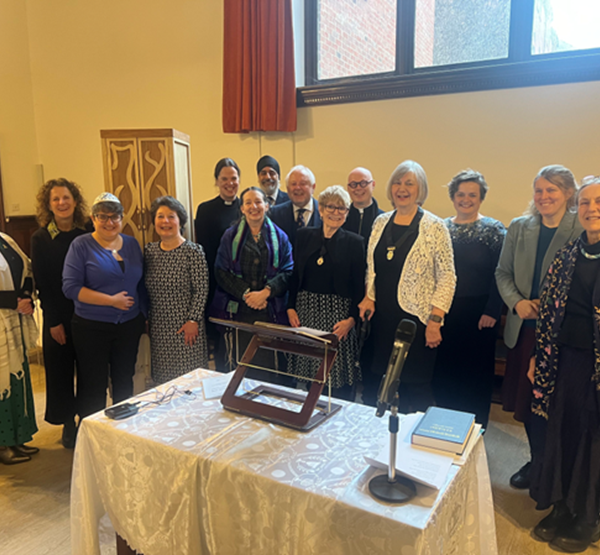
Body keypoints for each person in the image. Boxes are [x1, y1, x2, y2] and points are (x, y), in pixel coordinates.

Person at [496, 165, 581, 490]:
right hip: (523, 328)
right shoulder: (520, 227)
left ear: (568, 193)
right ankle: (537, 460)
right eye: (540, 190)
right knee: (527, 404)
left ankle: (558, 468)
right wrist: (516, 302)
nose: (544, 197)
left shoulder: (580, 227)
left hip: (560, 334)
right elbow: (502, 273)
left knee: (555, 405)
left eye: (552, 190)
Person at [527, 176, 600, 552]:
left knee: (592, 439)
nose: (592, 209)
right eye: (586, 203)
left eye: (599, 202)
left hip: (596, 366)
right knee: (561, 432)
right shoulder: (568, 254)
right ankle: (561, 505)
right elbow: (548, 314)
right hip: (563, 360)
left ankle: (588, 517)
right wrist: (539, 354)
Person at [359, 160, 456, 412]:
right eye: (397, 183)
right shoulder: (380, 222)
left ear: (420, 189)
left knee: (416, 387)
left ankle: (418, 444)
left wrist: (436, 319)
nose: (402, 188)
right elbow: (373, 266)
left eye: (409, 183)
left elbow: (447, 276)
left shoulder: (435, 227)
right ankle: (387, 440)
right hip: (382, 321)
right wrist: (369, 296)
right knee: (384, 384)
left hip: (417, 321)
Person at [432, 170, 506, 428]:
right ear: (453, 197)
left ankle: (475, 429)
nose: (465, 199)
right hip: (446, 311)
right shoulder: (440, 228)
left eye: (472, 195)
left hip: (480, 315)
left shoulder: (494, 230)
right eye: (460, 194)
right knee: (445, 371)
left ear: (481, 197)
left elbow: (501, 273)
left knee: (475, 375)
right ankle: (445, 426)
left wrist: (493, 310)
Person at [63, 193, 145, 420]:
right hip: (91, 327)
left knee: (124, 380)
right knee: (93, 385)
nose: (110, 222)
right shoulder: (81, 245)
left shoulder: (131, 243)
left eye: (115, 216)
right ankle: (91, 439)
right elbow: (70, 288)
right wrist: (111, 301)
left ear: (121, 218)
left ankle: (123, 432)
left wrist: (142, 315)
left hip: (128, 325)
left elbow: (141, 282)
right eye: (103, 217)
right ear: (93, 218)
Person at [287, 185, 365, 400]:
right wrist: (290, 307)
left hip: (337, 316)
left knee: (335, 377)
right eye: (331, 207)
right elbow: (294, 275)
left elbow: (359, 285)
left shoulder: (355, 243)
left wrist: (351, 319)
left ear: (347, 213)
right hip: (305, 312)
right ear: (320, 210)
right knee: (309, 373)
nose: (336, 212)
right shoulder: (303, 235)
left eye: (342, 208)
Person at [211, 187, 293, 380]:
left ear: (267, 205)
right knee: (240, 368)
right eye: (248, 202)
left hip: (269, 310)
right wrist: (247, 294)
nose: (253, 207)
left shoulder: (281, 237)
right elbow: (220, 271)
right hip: (239, 311)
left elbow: (288, 271)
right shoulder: (229, 237)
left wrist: (265, 292)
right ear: (242, 208)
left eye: (258, 202)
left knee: (269, 372)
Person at [31, 178, 89, 448]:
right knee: (61, 371)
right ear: (49, 205)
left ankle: (87, 421)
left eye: (66, 197)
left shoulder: (88, 231)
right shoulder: (40, 238)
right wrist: (53, 321)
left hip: (88, 312)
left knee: (89, 369)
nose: (62, 203)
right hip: (58, 315)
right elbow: (42, 282)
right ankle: (67, 423)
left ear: (75, 201)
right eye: (56, 199)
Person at [145, 196, 209, 384]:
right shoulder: (149, 252)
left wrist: (193, 320)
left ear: (180, 221)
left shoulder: (193, 251)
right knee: (164, 383)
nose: (165, 222)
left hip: (186, 326)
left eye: (171, 217)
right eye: (160, 217)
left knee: (189, 381)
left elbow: (201, 289)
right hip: (159, 328)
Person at [194, 158, 242, 360]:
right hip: (215, 281)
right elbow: (204, 249)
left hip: (242, 282)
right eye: (224, 179)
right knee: (219, 336)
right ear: (216, 181)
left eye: (233, 178)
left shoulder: (247, 206)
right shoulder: (205, 210)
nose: (230, 183)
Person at [0, 233, 39, 465]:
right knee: (1, 381)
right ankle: (2, 444)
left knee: (16, 379)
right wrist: (12, 302)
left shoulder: (5, 238)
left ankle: (16, 438)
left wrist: (26, 298)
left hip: (14, 319)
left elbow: (27, 269)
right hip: (2, 317)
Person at [269, 165, 322, 246]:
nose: (297, 188)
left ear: (313, 187)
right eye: (293, 184)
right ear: (287, 188)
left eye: (303, 183)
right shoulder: (275, 214)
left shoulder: (325, 212)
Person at [342, 167, 383, 242]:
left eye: (363, 183)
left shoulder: (383, 220)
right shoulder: (341, 218)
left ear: (373, 185)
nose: (358, 188)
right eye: (353, 184)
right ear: (348, 188)